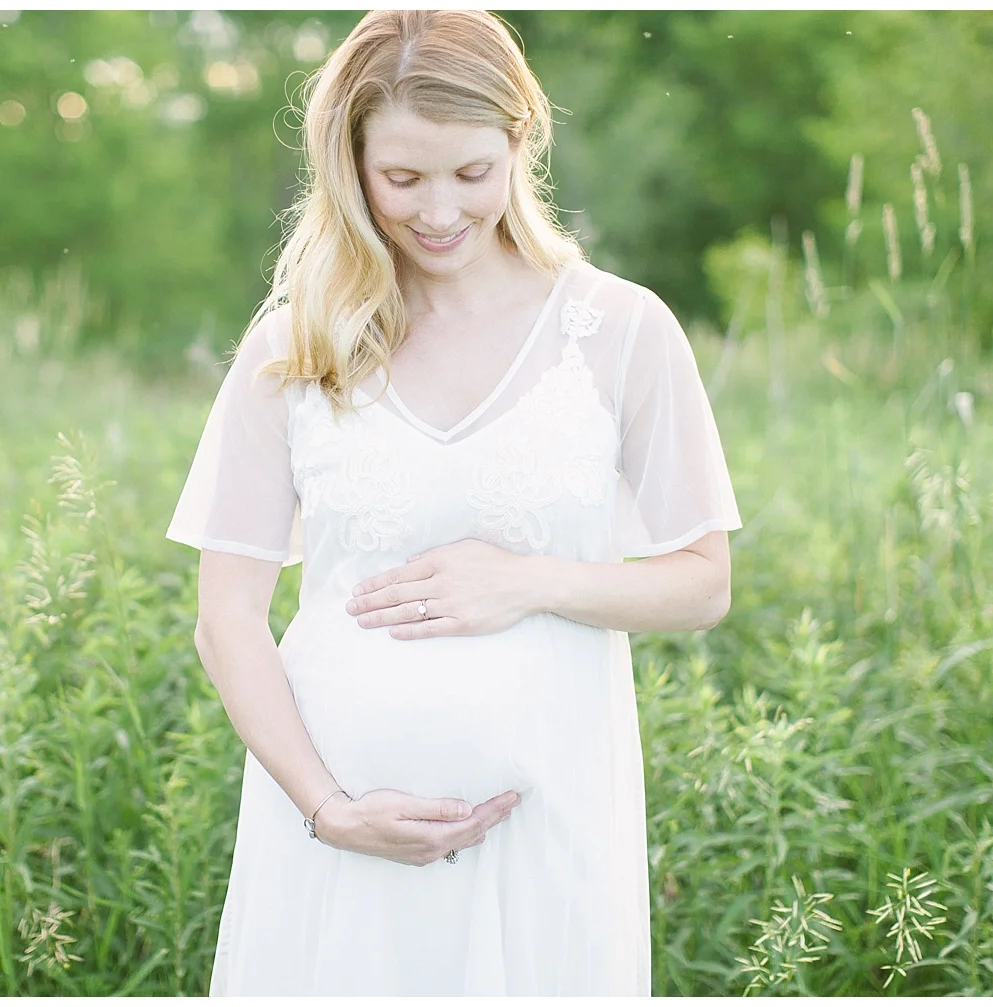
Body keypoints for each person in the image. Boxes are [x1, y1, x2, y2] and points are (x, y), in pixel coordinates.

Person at [165, 9, 741, 996]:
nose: (439, 210)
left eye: (472, 173)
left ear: (520, 141)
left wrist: (530, 581)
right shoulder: (293, 345)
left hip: (549, 830)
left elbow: (702, 585)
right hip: (336, 839)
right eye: (403, 179)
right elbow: (226, 619)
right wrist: (328, 805)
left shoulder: (621, 329)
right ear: (352, 165)